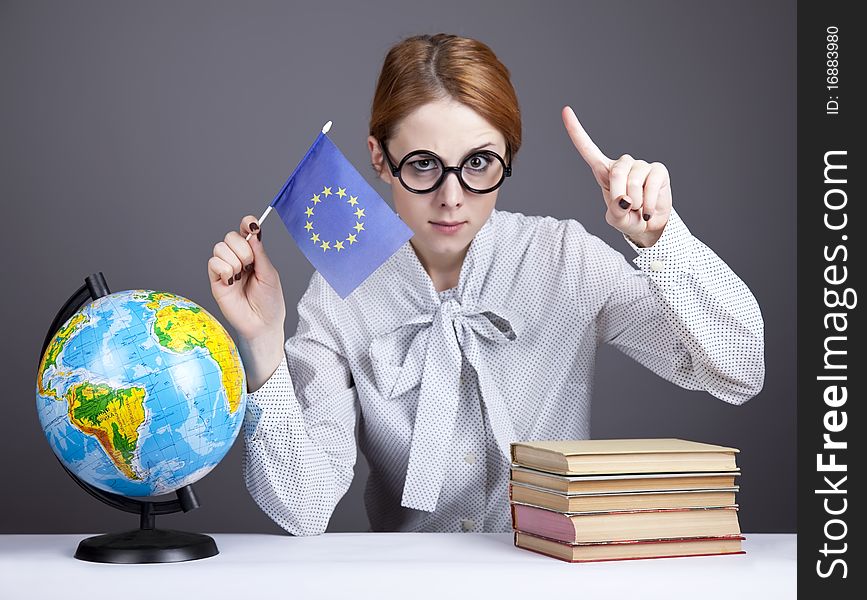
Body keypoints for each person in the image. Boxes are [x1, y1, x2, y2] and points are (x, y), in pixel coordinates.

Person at [207, 33, 765, 535]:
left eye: (478, 163)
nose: (451, 197)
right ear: (380, 158)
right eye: (423, 164)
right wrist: (263, 343)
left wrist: (661, 241)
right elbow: (303, 508)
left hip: (556, 577)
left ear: (508, 157)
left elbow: (740, 371)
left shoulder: (563, 260)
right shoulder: (341, 296)